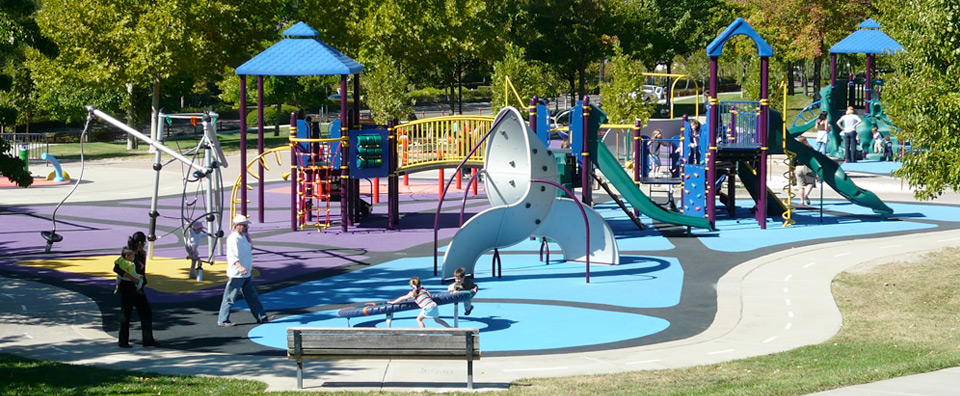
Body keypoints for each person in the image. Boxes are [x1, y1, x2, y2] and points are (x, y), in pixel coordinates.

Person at [218, 215, 269, 327]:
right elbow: (232, 255)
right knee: (230, 297)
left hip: (245, 273)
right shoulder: (233, 238)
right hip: (237, 273)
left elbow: (247, 248)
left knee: (252, 296)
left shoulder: (243, 237)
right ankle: (223, 319)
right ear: (237, 226)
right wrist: (239, 266)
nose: (246, 228)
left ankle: (261, 316)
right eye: (244, 225)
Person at [116, 231, 157, 348]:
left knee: (144, 312)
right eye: (143, 243)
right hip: (129, 286)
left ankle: (147, 340)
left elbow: (142, 271)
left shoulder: (141, 254)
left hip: (137, 286)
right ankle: (123, 341)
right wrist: (132, 279)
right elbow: (119, 269)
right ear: (140, 243)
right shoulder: (129, 254)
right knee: (127, 313)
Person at [793, 138, 817, 206]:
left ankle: (802, 201)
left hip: (798, 167)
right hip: (808, 167)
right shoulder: (811, 149)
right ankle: (806, 194)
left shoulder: (797, 149)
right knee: (810, 183)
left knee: (800, 185)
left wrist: (792, 169)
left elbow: (793, 159)